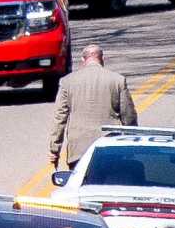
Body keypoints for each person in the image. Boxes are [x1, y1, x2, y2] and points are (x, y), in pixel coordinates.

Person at [49, 43, 136, 173]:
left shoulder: (67, 82)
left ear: (83, 60)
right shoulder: (117, 80)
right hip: (109, 145)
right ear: (102, 59)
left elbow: (59, 118)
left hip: (79, 149)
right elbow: (128, 117)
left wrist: (54, 150)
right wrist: (131, 144)